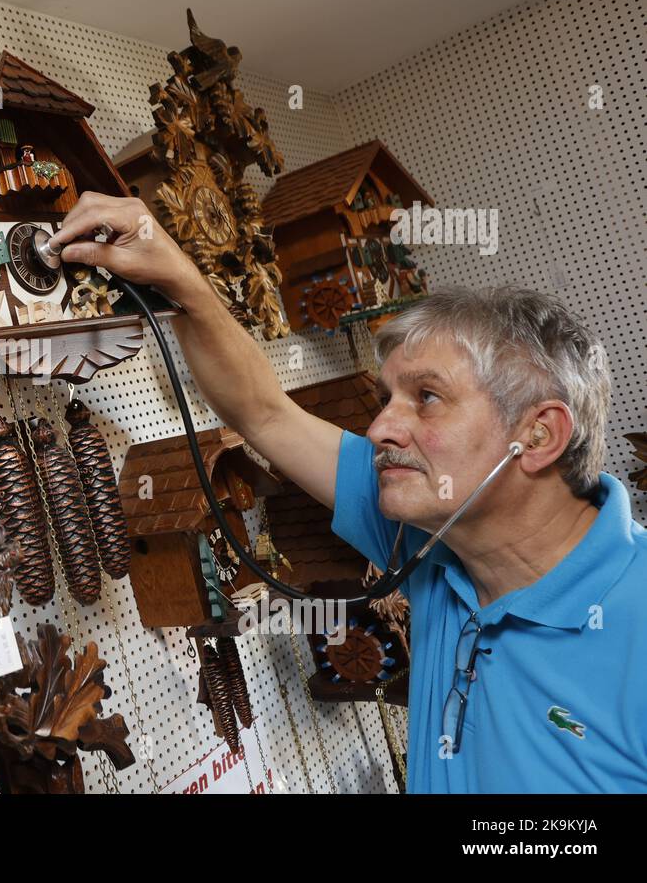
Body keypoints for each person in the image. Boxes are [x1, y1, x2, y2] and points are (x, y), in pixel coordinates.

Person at [45, 192, 647, 793]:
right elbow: (264, 413)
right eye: (388, 400)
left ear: (537, 436)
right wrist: (181, 279)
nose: (381, 427)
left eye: (427, 398)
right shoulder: (434, 534)